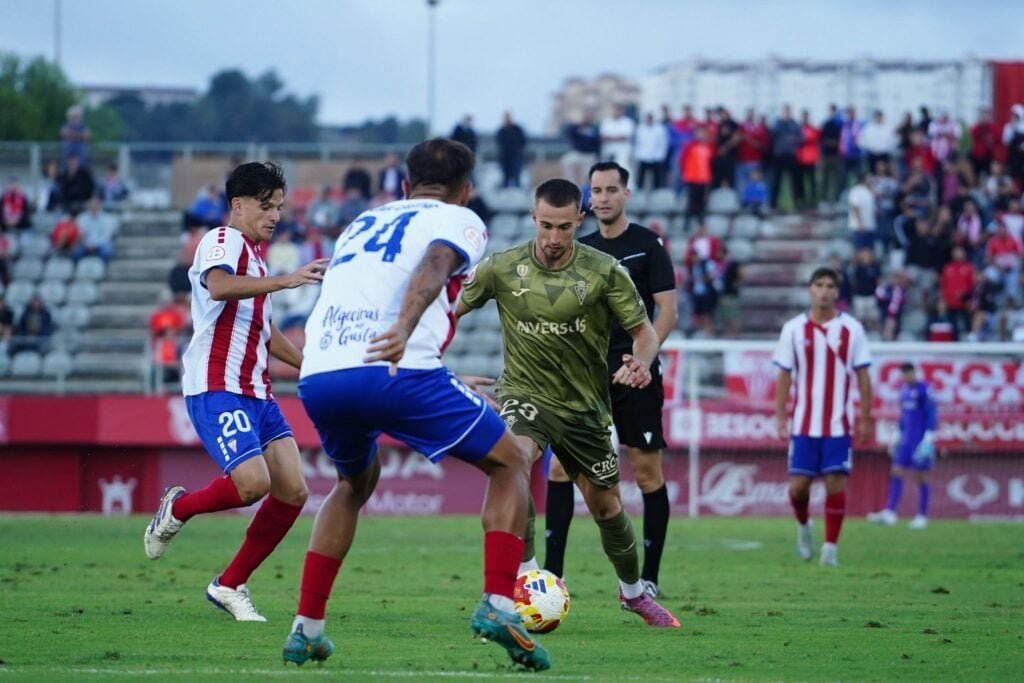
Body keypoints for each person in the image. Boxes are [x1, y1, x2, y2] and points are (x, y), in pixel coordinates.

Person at [283, 139, 551, 670]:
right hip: (395, 366)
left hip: (320, 373)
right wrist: (403, 330)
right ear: (466, 191)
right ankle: (499, 602)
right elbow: (435, 261)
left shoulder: (361, 222)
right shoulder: (460, 219)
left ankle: (306, 628)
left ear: (404, 186)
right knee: (511, 461)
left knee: (351, 484)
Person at [459, 177, 680, 628]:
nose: (555, 238)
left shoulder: (604, 271)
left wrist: (641, 362)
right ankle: (526, 576)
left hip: (584, 408)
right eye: (546, 226)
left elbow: (644, 332)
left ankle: (634, 594)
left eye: (564, 227)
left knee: (607, 508)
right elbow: (446, 311)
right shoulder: (501, 267)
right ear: (532, 219)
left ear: (580, 220)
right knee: (515, 463)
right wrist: (441, 369)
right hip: (524, 395)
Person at [143, 162, 329, 624]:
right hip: (215, 384)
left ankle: (229, 584)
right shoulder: (221, 242)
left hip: (256, 390)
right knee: (253, 485)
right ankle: (177, 506)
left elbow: (263, 332)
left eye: (280, 207)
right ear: (238, 205)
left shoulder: (258, 258)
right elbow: (220, 286)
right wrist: (287, 280)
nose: (275, 216)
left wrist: (313, 368)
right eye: (266, 206)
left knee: (292, 491)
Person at [542, 162, 678, 599]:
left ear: (626, 194)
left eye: (610, 189)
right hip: (585, 376)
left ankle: (650, 577)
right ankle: (552, 577)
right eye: (595, 190)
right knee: (562, 467)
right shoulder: (578, 248)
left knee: (646, 473)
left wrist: (643, 359)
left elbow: (667, 312)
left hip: (636, 374)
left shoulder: (647, 244)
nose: (602, 197)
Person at [773, 267, 873, 567]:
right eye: (820, 285)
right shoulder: (792, 329)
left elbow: (864, 375)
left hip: (838, 424)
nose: (825, 290)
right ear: (810, 290)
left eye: (831, 285)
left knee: (835, 484)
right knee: (799, 487)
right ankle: (804, 528)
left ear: (837, 292)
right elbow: (784, 375)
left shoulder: (852, 329)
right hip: (804, 424)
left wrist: (866, 418)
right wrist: (780, 416)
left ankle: (830, 548)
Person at [868, 363, 938, 529]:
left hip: (920, 440)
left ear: (914, 373)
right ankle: (890, 513)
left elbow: (932, 413)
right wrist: (897, 436)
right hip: (906, 440)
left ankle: (922, 516)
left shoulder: (925, 389)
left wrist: (929, 438)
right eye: (903, 374)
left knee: (921, 475)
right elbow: (904, 416)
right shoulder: (904, 390)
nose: (905, 377)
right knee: (896, 471)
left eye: (907, 374)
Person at [497, 111, 527, 188]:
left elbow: (523, 141)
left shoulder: (517, 129)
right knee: (505, 177)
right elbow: (499, 142)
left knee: (517, 176)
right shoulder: (501, 130)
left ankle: (518, 192)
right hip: (505, 157)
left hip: (516, 156)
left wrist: (518, 150)